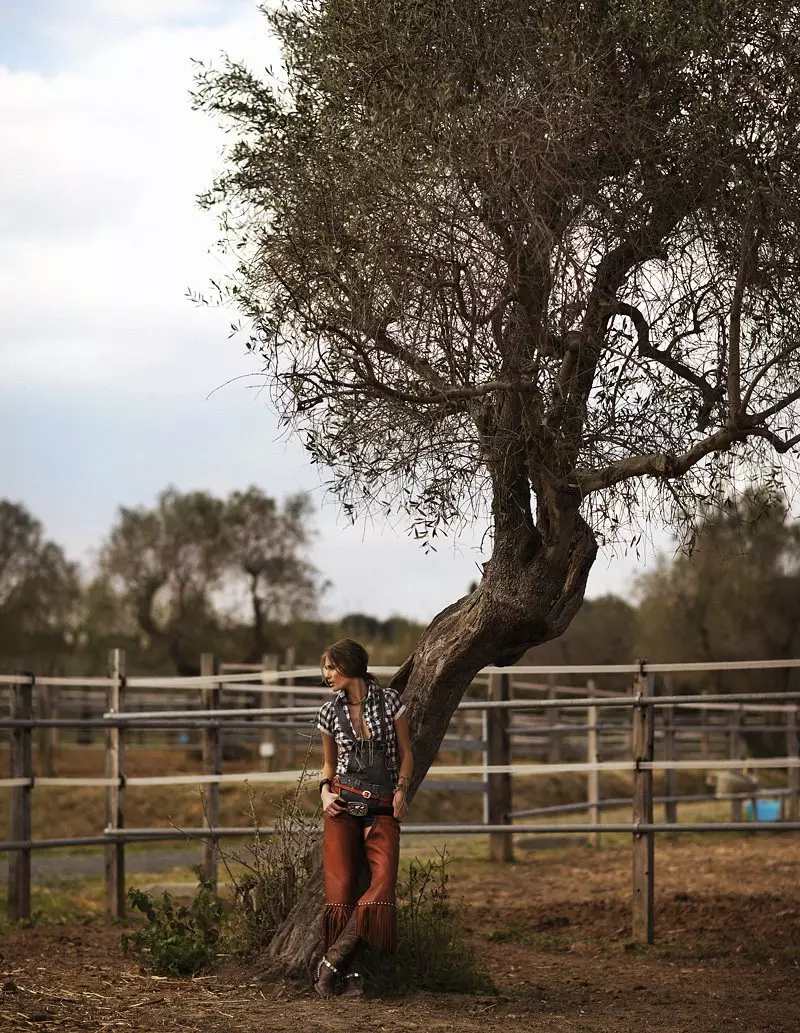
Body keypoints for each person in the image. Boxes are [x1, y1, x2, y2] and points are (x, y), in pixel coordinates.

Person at [314, 638, 413, 998]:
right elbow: (328, 763)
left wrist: (402, 790)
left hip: (384, 802)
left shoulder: (390, 701)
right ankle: (346, 973)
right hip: (340, 803)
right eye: (325, 668)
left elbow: (406, 753)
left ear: (350, 664)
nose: (326, 675)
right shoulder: (328, 712)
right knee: (340, 891)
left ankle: (331, 960)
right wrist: (324, 792)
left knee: (382, 883)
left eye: (330, 667)